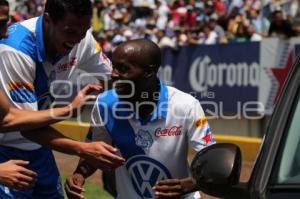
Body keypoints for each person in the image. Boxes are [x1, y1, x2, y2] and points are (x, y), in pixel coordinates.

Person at [65, 39, 215, 199]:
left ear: (149, 72)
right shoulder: (104, 104)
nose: (114, 74)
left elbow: (211, 162)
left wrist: (189, 184)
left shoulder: (186, 105)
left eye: (123, 69)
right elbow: (95, 153)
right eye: (114, 67)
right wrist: (79, 174)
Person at [0, 0, 121, 198]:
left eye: (84, 31)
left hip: (40, 148)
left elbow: (114, 77)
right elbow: (20, 124)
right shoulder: (14, 50)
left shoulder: (82, 37)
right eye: (71, 32)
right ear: (48, 20)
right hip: (7, 151)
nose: (77, 40)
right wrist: (82, 148)